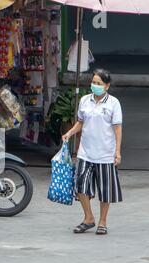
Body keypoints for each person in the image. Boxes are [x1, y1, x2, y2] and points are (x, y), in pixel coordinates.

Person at [62, 69, 123, 235]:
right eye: (93, 82)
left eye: (99, 83)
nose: (95, 86)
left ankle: (103, 221)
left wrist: (117, 152)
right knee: (80, 186)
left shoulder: (113, 103)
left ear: (107, 86)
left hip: (105, 154)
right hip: (85, 153)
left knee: (105, 190)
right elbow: (80, 122)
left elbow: (117, 128)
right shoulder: (84, 100)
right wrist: (69, 133)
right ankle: (88, 218)